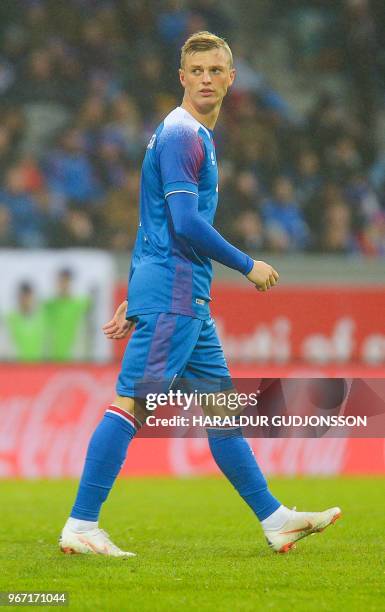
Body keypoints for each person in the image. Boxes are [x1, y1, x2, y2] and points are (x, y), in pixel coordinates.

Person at [60, 32, 341, 557]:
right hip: (177, 290)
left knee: (222, 414)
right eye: (198, 71)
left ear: (232, 78)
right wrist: (247, 264)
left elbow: (155, 222)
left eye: (217, 70)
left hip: (176, 292)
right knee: (134, 403)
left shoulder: (183, 135)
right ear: (182, 77)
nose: (207, 79)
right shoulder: (183, 135)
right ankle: (80, 524)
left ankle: (275, 519)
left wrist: (138, 291)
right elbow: (186, 223)